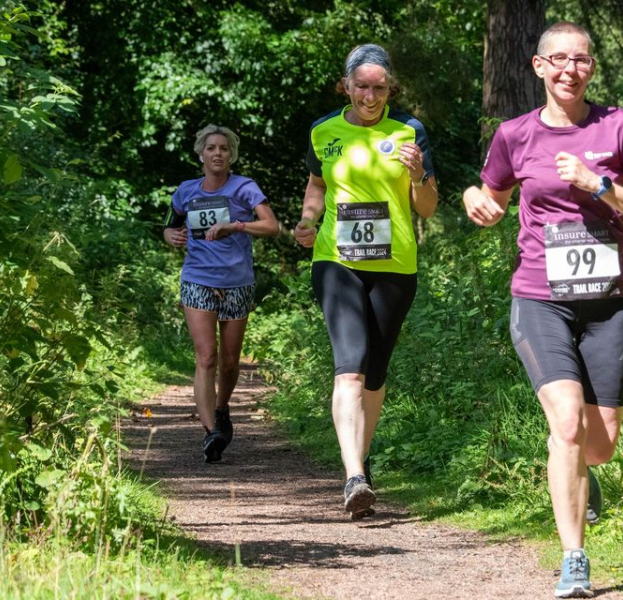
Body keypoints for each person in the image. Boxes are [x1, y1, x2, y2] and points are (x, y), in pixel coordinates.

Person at [462, 22, 623, 598]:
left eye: (581, 60)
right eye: (559, 60)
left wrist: (601, 185)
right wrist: (476, 202)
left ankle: (581, 474)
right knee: (567, 423)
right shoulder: (514, 134)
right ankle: (574, 559)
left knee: (599, 445)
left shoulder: (618, 125)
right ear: (537, 66)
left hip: (608, 304)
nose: (570, 70)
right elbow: (488, 192)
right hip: (539, 298)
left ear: (591, 67)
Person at [294, 44, 438, 519]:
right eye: (361, 87)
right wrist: (308, 219)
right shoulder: (322, 130)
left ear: (390, 89)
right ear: (346, 86)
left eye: (379, 88)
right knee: (350, 366)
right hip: (337, 259)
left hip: (395, 264)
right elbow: (317, 185)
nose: (370, 96)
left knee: (375, 373)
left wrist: (418, 176)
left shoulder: (408, 130)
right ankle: (354, 475)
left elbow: (428, 207)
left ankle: (362, 462)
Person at [164, 124, 279, 463]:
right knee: (207, 357)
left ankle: (222, 408)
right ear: (201, 154)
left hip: (237, 282)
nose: (217, 153)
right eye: (211, 148)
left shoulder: (245, 188)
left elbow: (272, 226)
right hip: (197, 279)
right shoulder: (186, 191)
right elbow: (170, 225)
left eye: (224, 149)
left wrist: (237, 226)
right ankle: (212, 431)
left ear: (231, 155)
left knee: (230, 363)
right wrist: (170, 235)